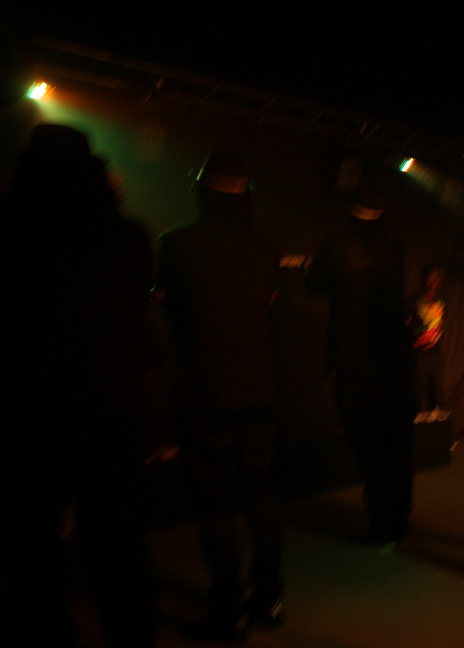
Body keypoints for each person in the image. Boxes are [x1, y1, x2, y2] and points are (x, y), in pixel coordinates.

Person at [0, 124, 160, 647]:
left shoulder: (10, 229)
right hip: (112, 408)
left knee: (32, 545)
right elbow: (137, 314)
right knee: (119, 544)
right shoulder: (128, 236)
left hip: (28, 410)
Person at [155, 150, 285, 640]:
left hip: (205, 390)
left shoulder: (175, 244)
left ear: (200, 192)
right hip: (259, 388)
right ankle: (270, 599)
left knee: (216, 503)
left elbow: (166, 314)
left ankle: (227, 610)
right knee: (262, 497)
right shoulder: (267, 247)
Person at [305, 188, 416, 547]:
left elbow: (314, 285)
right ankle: (399, 522)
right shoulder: (395, 249)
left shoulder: (334, 245)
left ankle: (381, 524)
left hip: (355, 361)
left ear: (349, 214)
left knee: (367, 445)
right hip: (394, 360)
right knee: (396, 443)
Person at [407, 264, 448, 423]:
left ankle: (437, 430)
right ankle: (417, 428)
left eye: (435, 278)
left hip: (435, 355)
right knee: (417, 391)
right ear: (422, 280)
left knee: (436, 391)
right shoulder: (412, 302)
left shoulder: (441, 302)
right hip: (418, 356)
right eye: (429, 278)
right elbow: (404, 326)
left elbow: (440, 323)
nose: (432, 282)